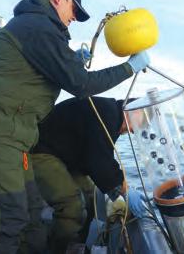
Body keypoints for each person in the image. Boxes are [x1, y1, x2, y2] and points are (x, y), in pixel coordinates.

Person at [0, 0, 149, 253]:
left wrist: (73, 61)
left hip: (15, 136)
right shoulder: (38, 27)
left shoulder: (38, 28)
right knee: (7, 221)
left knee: (32, 216)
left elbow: (48, 69)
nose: (74, 18)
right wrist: (129, 67)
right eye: (74, 10)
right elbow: (81, 84)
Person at [31, 96, 146, 252]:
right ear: (130, 110)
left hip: (67, 157)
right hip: (43, 151)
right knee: (72, 205)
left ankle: (77, 244)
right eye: (134, 126)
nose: (132, 131)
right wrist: (123, 191)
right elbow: (98, 160)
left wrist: (122, 186)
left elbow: (103, 155)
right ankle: (58, 249)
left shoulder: (113, 116)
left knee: (91, 198)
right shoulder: (106, 113)